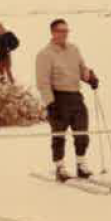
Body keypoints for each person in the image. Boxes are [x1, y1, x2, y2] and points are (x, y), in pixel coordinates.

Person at [35, 19, 99, 182]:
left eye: (66, 31)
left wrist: (90, 78)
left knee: (81, 133)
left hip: (75, 96)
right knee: (59, 135)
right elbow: (43, 82)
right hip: (58, 98)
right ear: (53, 33)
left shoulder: (74, 49)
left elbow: (82, 69)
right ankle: (60, 167)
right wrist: (50, 103)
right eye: (61, 31)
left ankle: (81, 165)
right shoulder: (45, 54)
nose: (64, 34)